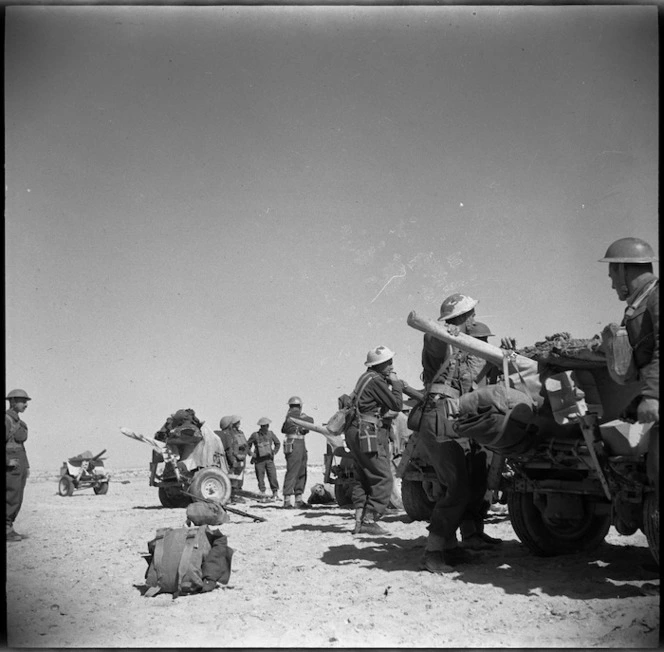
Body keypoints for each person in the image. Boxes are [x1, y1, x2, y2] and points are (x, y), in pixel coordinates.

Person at [417, 293, 480, 573]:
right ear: (461, 318)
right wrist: (445, 331)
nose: (475, 320)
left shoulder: (460, 347)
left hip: (449, 417)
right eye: (471, 315)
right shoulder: (441, 340)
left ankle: (450, 547)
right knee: (457, 486)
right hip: (437, 416)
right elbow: (431, 339)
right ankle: (433, 552)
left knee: (452, 484)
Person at [599, 237, 659, 495]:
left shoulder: (656, 298)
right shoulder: (640, 304)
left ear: (623, 268)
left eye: (612, 273)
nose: (611, 283)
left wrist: (653, 396)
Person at [344, 345, 404, 535]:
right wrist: (397, 385)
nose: (391, 366)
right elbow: (396, 404)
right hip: (367, 431)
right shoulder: (377, 380)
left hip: (355, 430)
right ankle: (370, 519)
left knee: (363, 476)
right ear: (377, 366)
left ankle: (359, 520)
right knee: (383, 477)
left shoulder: (365, 378)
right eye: (387, 363)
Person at [458, 321, 503, 550]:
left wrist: (509, 353)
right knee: (472, 482)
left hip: (484, 426)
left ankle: (478, 531)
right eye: (483, 341)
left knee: (483, 482)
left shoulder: (486, 361)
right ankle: (469, 534)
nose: (487, 344)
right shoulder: (465, 364)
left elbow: (504, 372)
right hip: (471, 427)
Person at [6, 389, 32, 542]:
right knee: (11, 496)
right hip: (10, 463)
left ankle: (9, 528)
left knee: (17, 496)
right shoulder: (7, 420)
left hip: (19, 462)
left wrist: (26, 465)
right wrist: (7, 462)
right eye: (23, 401)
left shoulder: (18, 422)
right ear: (13, 401)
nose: (26, 405)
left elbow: (20, 445)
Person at [281, 396, 314, 509]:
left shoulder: (289, 416)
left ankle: (297, 500)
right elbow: (311, 421)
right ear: (300, 406)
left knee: (300, 470)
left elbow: (283, 429)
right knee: (294, 471)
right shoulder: (296, 416)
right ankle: (288, 500)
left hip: (298, 443)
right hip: (295, 444)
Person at [247, 418, 281, 503]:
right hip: (259, 460)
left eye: (267, 426)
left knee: (273, 476)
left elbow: (278, 443)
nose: (266, 427)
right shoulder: (255, 435)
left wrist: (274, 452)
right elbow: (247, 445)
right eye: (265, 426)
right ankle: (262, 494)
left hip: (269, 460)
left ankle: (275, 493)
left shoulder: (270, 434)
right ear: (261, 426)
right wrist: (251, 453)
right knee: (260, 478)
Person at [217, 415, 248, 504]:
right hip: (231, 460)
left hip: (228, 460)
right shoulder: (228, 435)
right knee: (233, 479)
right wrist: (233, 460)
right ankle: (233, 497)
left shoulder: (222, 435)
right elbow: (229, 450)